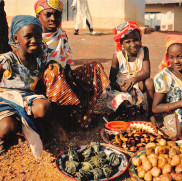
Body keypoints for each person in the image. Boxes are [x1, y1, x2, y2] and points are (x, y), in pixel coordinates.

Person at [34, 0, 109, 128]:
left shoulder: (61, 35)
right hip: (45, 84)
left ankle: (83, 117)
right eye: (48, 15)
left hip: (64, 78)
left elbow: (66, 64)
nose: (53, 18)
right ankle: (56, 122)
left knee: (95, 67)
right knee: (53, 72)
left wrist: (74, 81)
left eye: (57, 15)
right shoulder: (34, 38)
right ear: (38, 17)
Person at [0, 15, 52, 157]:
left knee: (43, 107)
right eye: (28, 36)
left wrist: (55, 64)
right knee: (5, 128)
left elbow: (52, 62)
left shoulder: (40, 57)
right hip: (7, 100)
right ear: (16, 38)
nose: (34, 40)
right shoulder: (7, 59)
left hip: (28, 100)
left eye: (37, 36)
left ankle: (21, 127)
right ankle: (15, 129)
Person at [106, 21, 158, 127]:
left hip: (136, 83)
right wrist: (121, 88)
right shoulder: (117, 56)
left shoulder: (144, 51)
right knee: (123, 111)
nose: (133, 44)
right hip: (121, 86)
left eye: (136, 40)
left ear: (140, 38)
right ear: (121, 43)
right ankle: (125, 109)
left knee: (149, 82)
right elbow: (111, 80)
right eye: (128, 41)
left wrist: (133, 80)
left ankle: (151, 113)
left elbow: (147, 73)